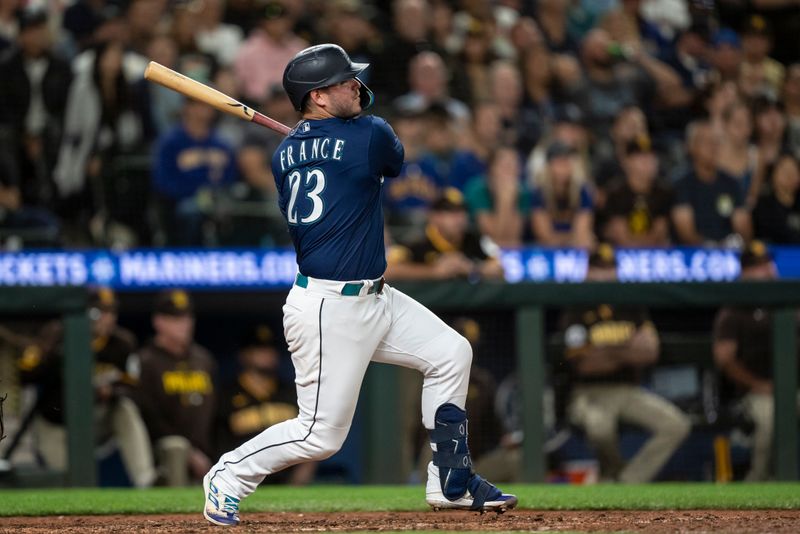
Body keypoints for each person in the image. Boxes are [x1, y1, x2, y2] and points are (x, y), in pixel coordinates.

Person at [203, 44, 517, 526]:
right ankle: (228, 476)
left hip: (376, 296)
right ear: (318, 98)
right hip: (330, 308)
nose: (356, 85)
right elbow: (391, 157)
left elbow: (335, 158)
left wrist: (324, 136)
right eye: (344, 81)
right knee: (320, 435)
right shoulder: (368, 134)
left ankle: (449, 480)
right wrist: (343, 136)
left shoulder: (286, 153)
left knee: (451, 353)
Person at [561, 244, 691, 482]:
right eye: (599, 269)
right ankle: (613, 472)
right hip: (589, 393)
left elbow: (650, 352)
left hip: (629, 390)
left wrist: (605, 352)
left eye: (610, 269)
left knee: (677, 425)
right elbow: (584, 365)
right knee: (600, 429)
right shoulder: (576, 307)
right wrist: (627, 349)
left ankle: (627, 481)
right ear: (587, 272)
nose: (604, 275)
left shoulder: (631, 305)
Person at [17, 287, 156, 487]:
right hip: (57, 423)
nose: (107, 318)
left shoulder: (121, 343)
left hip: (96, 420)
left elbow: (136, 389)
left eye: (111, 312)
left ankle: (146, 480)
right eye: (101, 311)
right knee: (70, 487)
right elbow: (26, 375)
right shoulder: (58, 333)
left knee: (125, 409)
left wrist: (112, 391)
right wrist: (54, 355)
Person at [712, 241, 800, 481]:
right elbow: (724, 359)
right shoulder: (734, 310)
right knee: (771, 419)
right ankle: (758, 481)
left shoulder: (791, 302)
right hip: (756, 392)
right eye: (758, 267)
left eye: (767, 264)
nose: (767, 270)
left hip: (794, 388)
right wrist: (756, 384)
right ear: (745, 273)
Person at [135, 289, 217, 487]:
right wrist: (190, 452)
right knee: (176, 447)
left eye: (186, 318)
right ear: (158, 322)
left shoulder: (203, 359)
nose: (183, 325)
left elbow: (214, 413)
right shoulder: (146, 361)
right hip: (163, 452)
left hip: (204, 452)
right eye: (175, 319)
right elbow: (148, 416)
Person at [216, 324, 316, 485]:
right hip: (241, 480)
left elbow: (311, 437)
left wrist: (298, 482)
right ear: (244, 354)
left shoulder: (292, 392)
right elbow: (217, 440)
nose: (266, 354)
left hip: (286, 480)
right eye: (258, 349)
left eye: (269, 349)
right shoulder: (227, 395)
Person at [386, 187, 505, 281]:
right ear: (434, 216)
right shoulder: (416, 241)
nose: (458, 219)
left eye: (461, 211)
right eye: (450, 212)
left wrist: (471, 268)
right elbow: (388, 271)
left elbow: (500, 267)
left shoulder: (475, 239)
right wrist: (433, 272)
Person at [671, 120, 752, 246]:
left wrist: (737, 242)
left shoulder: (731, 183)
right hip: (694, 255)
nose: (712, 147)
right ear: (691, 147)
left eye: (716, 142)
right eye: (706, 142)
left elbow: (742, 224)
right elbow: (685, 232)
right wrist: (709, 247)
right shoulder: (681, 184)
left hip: (728, 252)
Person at [600, 134, 672, 247]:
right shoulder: (615, 192)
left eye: (652, 157)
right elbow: (620, 236)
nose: (648, 162)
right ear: (627, 161)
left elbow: (660, 233)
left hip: (654, 254)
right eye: (641, 157)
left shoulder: (664, 192)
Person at [530, 141, 595, 248]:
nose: (563, 167)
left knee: (588, 241)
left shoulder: (582, 191)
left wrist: (572, 239)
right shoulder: (539, 193)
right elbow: (544, 235)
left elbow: (582, 231)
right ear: (548, 166)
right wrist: (571, 239)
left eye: (566, 162)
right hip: (547, 251)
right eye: (558, 162)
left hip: (575, 248)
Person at [752, 154, 800, 244]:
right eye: (785, 171)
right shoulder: (763, 206)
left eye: (793, 170)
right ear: (774, 175)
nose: (789, 175)